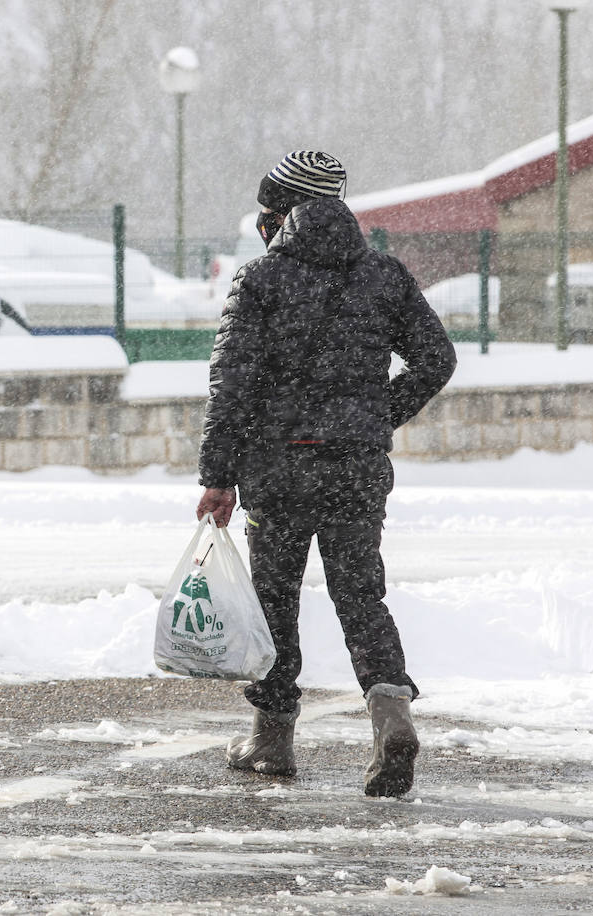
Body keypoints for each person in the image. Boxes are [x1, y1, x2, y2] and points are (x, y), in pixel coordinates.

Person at [196, 150, 457, 798]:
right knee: (361, 598)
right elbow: (436, 358)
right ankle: (391, 714)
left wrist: (218, 476)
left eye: (266, 211)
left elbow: (232, 385)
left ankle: (272, 738)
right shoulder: (385, 277)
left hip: (280, 471)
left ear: (283, 213)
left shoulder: (260, 281)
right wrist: (374, 417)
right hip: (354, 473)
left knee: (274, 602)